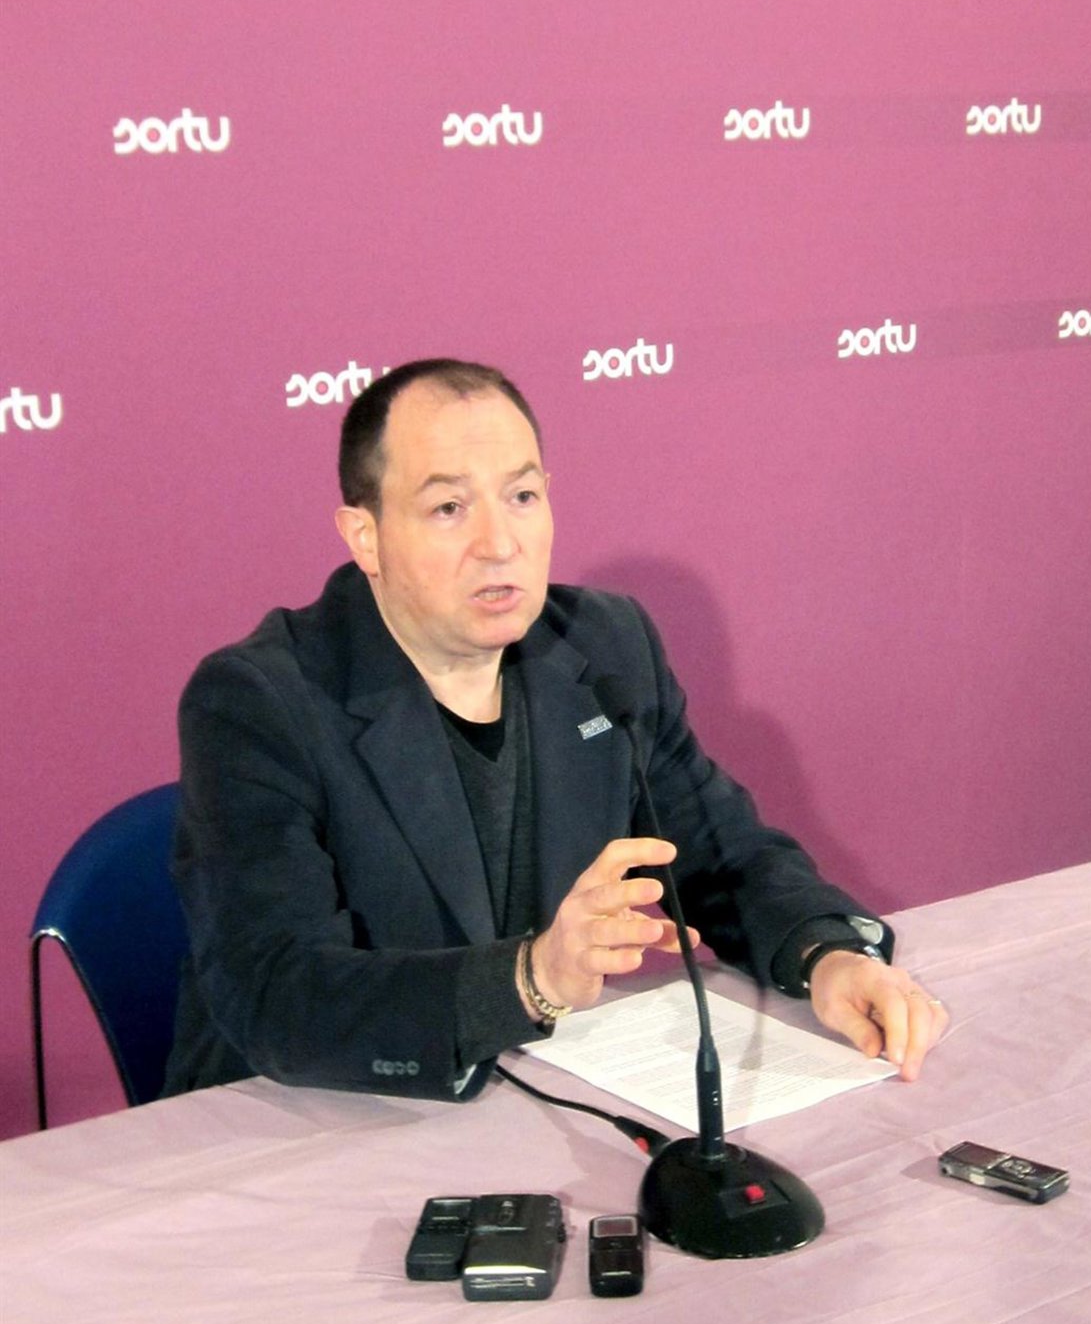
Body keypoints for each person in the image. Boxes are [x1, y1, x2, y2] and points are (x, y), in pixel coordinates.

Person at [164, 358, 947, 1101]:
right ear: (365, 535)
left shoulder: (604, 646)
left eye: (522, 496)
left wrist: (827, 954)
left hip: (532, 1095)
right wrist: (529, 978)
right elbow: (278, 990)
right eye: (448, 508)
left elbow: (723, 856)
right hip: (306, 1122)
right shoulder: (260, 701)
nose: (499, 544)